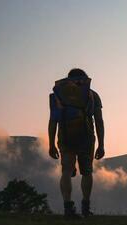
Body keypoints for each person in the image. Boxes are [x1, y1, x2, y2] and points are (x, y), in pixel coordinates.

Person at [48, 68, 105, 217]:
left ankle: (68, 207)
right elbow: (99, 121)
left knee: (66, 171)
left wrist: (51, 143)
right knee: (87, 172)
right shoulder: (92, 95)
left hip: (65, 136)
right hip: (86, 137)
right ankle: (85, 208)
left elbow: (53, 121)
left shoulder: (58, 96)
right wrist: (101, 144)